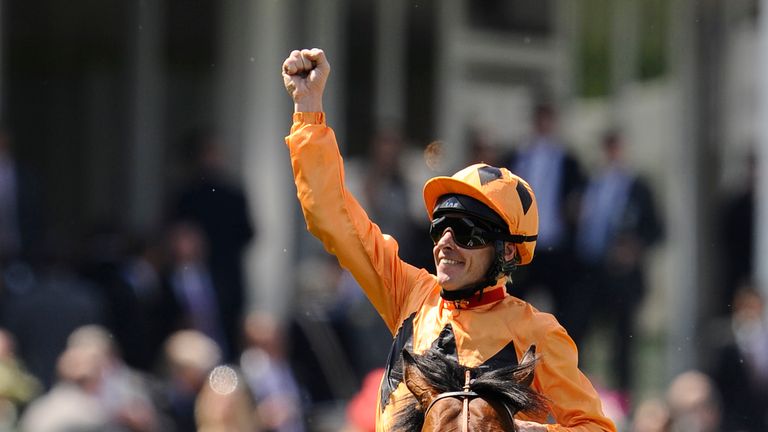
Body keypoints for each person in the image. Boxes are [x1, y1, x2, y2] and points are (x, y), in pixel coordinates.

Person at [282, 48, 615, 431]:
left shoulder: (538, 333)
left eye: (468, 232)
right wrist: (308, 109)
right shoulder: (409, 295)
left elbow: (596, 427)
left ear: (507, 250)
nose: (446, 241)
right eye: (441, 226)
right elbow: (333, 217)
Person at [574, 130, 663, 403]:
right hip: (592, 273)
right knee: (580, 331)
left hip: (624, 277)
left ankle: (623, 398)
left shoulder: (639, 187)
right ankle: (581, 393)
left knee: (623, 340)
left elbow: (657, 230)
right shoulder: (592, 183)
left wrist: (633, 248)